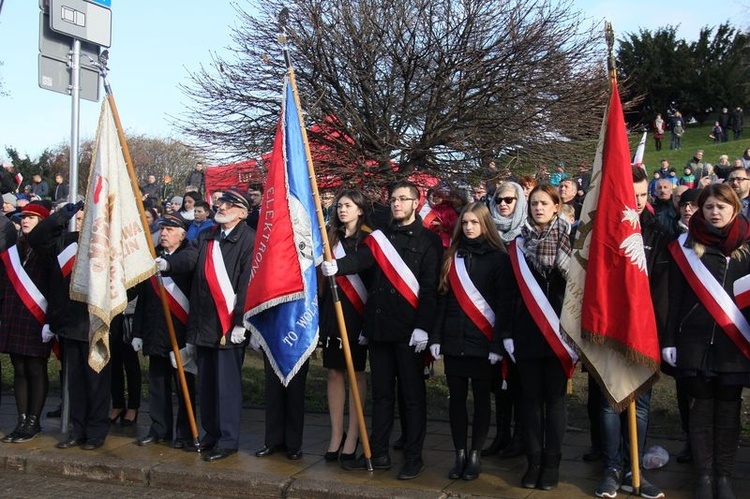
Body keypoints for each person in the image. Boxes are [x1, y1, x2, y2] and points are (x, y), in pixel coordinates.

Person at [322, 180, 443, 480]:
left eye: (404, 199)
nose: (397, 204)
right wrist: (337, 267)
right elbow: (362, 261)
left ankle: (414, 457)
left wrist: (423, 328)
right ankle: (379, 453)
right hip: (379, 328)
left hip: (410, 331)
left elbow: (429, 290)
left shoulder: (429, 240)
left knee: (413, 396)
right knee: (382, 395)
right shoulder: (379, 236)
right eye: (393, 199)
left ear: (416, 202)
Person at [663, 183, 750, 499]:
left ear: (734, 209)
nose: (715, 212)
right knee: (700, 412)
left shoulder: (747, 246)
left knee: (728, 412)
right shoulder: (684, 247)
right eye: (709, 207)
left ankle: (723, 476)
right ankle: (703, 476)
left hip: (734, 345)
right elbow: (672, 296)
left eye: (721, 207)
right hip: (694, 343)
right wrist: (669, 339)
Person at [595, 167, 669, 499]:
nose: (637, 202)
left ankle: (633, 468)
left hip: (645, 335)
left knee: (639, 405)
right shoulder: (605, 233)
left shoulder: (658, 233)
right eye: (631, 195)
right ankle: (611, 468)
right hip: (612, 331)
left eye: (642, 195)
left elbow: (664, 292)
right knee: (611, 404)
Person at [429, 202, 513, 481]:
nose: (468, 228)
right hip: (454, 340)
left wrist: (497, 345)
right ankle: (459, 453)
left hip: (483, 341)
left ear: (485, 225)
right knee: (456, 401)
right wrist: (436, 337)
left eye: (474, 223)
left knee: (480, 401)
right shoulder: (452, 255)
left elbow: (503, 305)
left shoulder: (498, 259)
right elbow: (443, 300)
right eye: (464, 223)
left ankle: (475, 455)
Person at [503, 184, 572, 491]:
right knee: (529, 402)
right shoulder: (517, 246)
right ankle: (533, 462)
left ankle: (552, 464)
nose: (538, 208)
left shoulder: (571, 245)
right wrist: (506, 333)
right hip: (526, 334)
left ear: (557, 206)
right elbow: (508, 294)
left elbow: (579, 295)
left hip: (560, 335)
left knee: (555, 401)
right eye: (533, 203)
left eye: (544, 203)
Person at [186, 189, 255, 462]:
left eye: (229, 203)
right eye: (221, 202)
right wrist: (168, 263)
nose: (221, 206)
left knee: (227, 387)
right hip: (204, 322)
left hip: (228, 326)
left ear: (242, 212)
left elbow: (246, 282)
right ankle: (211, 433)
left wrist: (240, 322)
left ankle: (228, 440)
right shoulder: (207, 235)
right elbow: (191, 260)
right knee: (207, 385)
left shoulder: (248, 239)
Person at [132, 214, 198, 449]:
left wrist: (168, 266)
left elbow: (186, 263)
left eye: (170, 229)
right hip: (155, 332)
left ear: (182, 233)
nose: (165, 233)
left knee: (184, 387)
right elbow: (144, 299)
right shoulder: (153, 258)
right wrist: (138, 333)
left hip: (180, 334)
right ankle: (159, 429)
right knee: (158, 385)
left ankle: (184, 433)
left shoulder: (189, 253)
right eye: (162, 229)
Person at [319, 189, 371, 465]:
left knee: (356, 375)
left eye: (348, 205)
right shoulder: (331, 238)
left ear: (360, 210)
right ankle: (336, 435)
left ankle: (354, 435)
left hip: (357, 313)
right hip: (332, 311)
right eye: (339, 206)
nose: (342, 210)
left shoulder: (368, 240)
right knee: (334, 374)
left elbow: (367, 270)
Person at [0, 202, 53, 443]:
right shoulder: (14, 248)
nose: (25, 220)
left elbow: (54, 287)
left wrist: (51, 320)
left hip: (37, 316)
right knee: (18, 369)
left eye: (31, 217)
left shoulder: (48, 248)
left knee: (35, 368)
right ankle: (21, 420)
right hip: (14, 313)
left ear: (42, 222)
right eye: (23, 217)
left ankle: (34, 421)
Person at [483, 182, 527, 459]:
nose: (503, 204)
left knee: (520, 381)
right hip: (491, 315)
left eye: (510, 199)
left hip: (522, 318)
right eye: (499, 199)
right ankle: (501, 435)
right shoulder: (489, 237)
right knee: (497, 382)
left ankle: (522, 436)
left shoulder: (526, 235)